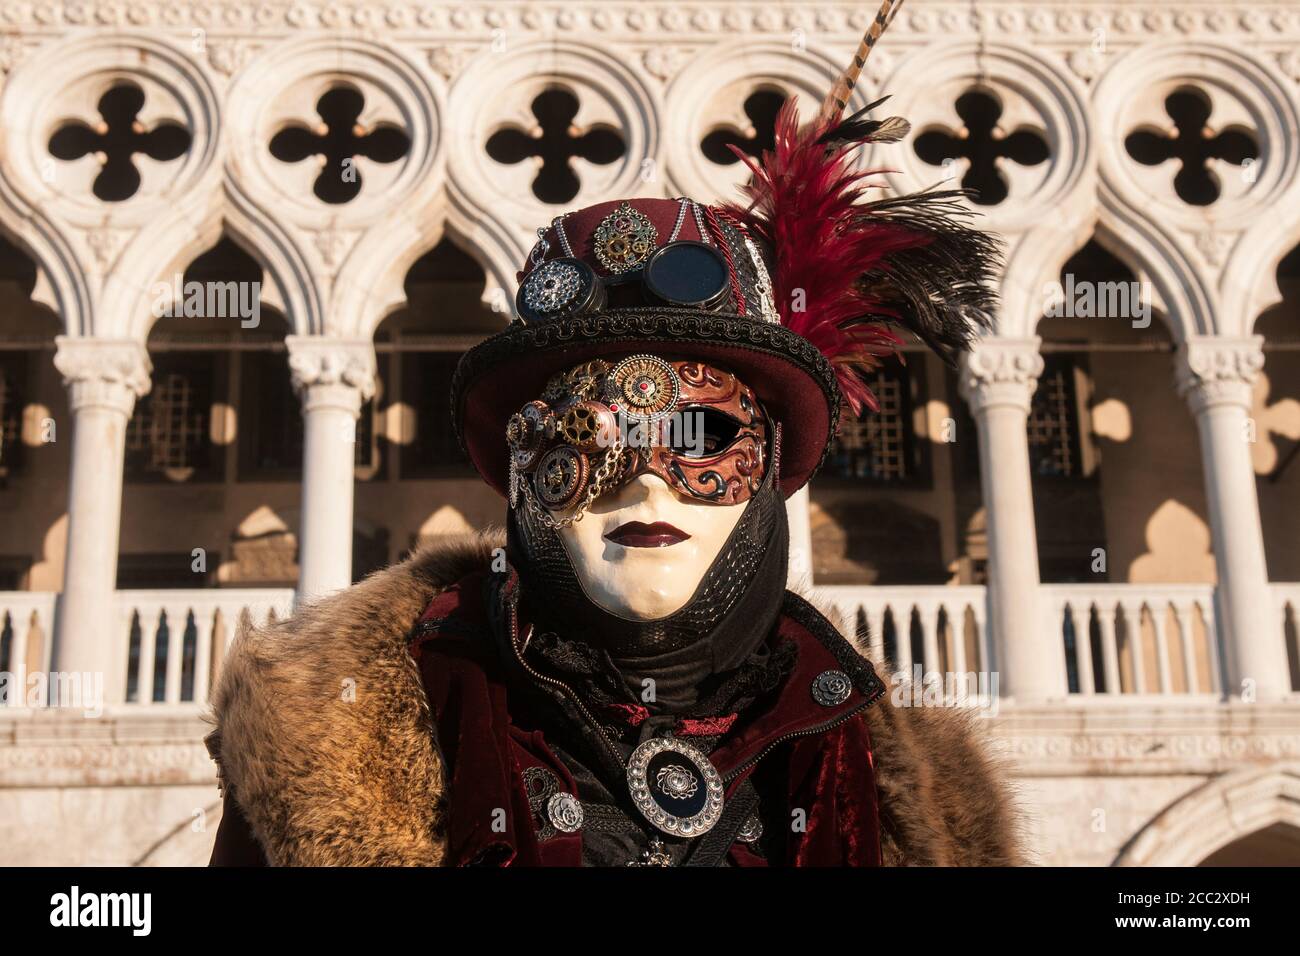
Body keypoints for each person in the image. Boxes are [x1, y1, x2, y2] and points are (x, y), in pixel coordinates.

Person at [206, 7, 1022, 866]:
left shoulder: (912, 793)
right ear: (523, 470)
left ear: (770, 464)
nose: (646, 484)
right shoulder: (327, 740)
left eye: (699, 432)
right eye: (585, 438)